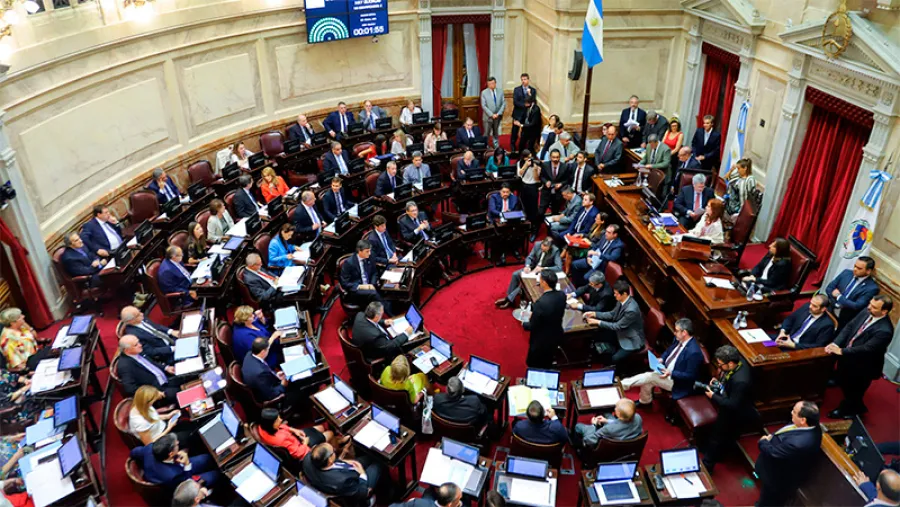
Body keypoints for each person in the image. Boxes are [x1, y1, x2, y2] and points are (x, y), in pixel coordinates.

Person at [825, 295, 894, 419]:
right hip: (848, 356)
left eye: (874, 307)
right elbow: (850, 326)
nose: (869, 307)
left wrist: (842, 351)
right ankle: (839, 380)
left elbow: (868, 349)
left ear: (884, 311)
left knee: (854, 391)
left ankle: (850, 410)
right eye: (870, 304)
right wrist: (836, 343)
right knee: (844, 376)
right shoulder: (867, 311)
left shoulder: (885, 330)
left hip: (863, 366)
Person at [621, 318, 704, 406]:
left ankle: (621, 385)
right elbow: (668, 351)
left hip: (677, 382)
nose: (674, 333)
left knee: (650, 377)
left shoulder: (694, 352)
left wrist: (671, 373)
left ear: (684, 333)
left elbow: (690, 376)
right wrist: (662, 359)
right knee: (649, 380)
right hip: (665, 370)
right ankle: (645, 402)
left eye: (676, 331)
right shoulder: (678, 339)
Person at [754, 401, 822, 506]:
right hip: (778, 473)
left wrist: (763, 441)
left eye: (794, 412)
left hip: (777, 480)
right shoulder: (812, 427)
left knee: (768, 502)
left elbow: (773, 453)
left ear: (803, 420)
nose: (791, 413)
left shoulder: (798, 443)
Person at [702, 345, 755, 472]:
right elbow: (727, 378)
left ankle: (708, 465)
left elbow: (732, 404)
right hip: (728, 398)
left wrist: (713, 396)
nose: (719, 367)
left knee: (717, 437)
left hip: (733, 414)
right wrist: (718, 381)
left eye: (721, 365)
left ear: (730, 363)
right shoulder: (737, 362)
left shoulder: (741, 381)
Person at [584, 280, 645, 366]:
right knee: (597, 335)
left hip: (631, 340)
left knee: (614, 359)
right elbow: (612, 314)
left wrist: (598, 322)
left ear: (624, 294)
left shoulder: (631, 310)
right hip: (621, 332)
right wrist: (594, 314)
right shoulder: (621, 301)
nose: (614, 295)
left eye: (616, 293)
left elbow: (617, 326)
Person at [129, 434, 221, 490]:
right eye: (177, 444)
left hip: (176, 467)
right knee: (216, 474)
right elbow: (188, 484)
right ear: (171, 453)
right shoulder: (171, 475)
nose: (178, 442)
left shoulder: (150, 448)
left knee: (206, 458)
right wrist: (187, 464)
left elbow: (133, 453)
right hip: (182, 480)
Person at [302, 443, 383, 504]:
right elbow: (362, 492)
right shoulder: (343, 482)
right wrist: (362, 473)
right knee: (378, 464)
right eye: (333, 451)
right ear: (330, 459)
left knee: (370, 457)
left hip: (346, 470)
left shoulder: (307, 460)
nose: (334, 449)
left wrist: (344, 462)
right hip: (358, 484)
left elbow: (333, 462)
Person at [116, 335, 185, 404]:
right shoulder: (125, 366)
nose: (140, 345)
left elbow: (151, 363)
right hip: (158, 392)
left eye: (138, 342)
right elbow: (130, 389)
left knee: (188, 375)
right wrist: (153, 394)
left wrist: (166, 368)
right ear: (127, 350)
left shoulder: (137, 351)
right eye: (136, 345)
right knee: (184, 393)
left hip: (165, 379)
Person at [496, 238, 562, 309]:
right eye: (542, 248)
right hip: (532, 268)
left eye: (545, 249)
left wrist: (543, 268)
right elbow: (529, 257)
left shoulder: (555, 251)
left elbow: (559, 267)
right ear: (542, 242)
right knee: (515, 274)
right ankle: (510, 297)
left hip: (542, 273)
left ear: (550, 247)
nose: (542, 250)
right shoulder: (537, 244)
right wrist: (527, 266)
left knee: (523, 284)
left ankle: (508, 300)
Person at [258, 408, 342, 460]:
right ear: (272, 424)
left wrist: (294, 430)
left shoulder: (262, 427)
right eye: (277, 419)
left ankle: (335, 442)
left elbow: (280, 427)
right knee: (330, 433)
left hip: (295, 437)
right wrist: (305, 443)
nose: (280, 419)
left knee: (321, 427)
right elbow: (298, 453)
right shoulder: (281, 440)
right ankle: (335, 451)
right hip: (302, 447)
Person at [523, 271, 566, 368]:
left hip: (541, 340)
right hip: (556, 334)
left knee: (534, 364)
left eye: (540, 279)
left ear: (544, 282)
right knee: (549, 359)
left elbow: (532, 325)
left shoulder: (541, 303)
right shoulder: (562, 295)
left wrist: (524, 324)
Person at [825, 256, 880, 330]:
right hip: (829, 310)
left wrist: (839, 297)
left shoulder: (872, 288)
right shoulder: (846, 273)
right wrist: (835, 303)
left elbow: (856, 305)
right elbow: (829, 288)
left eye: (859, 268)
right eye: (855, 266)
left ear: (868, 271)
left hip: (845, 320)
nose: (855, 269)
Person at [574, 398, 643, 448]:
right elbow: (619, 423)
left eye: (616, 408)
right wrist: (607, 421)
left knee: (578, 426)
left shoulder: (608, 429)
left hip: (611, 444)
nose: (615, 408)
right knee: (606, 413)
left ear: (619, 414)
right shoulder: (638, 417)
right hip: (625, 436)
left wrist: (593, 425)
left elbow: (590, 439)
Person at [242, 337, 287, 403]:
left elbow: (265, 372)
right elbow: (272, 395)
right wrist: (283, 385)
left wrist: (275, 375)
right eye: (268, 349)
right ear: (263, 351)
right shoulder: (260, 373)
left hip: (264, 383)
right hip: (265, 396)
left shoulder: (249, 354)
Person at [339, 240, 382, 308]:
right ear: (359, 251)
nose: (369, 253)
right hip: (356, 290)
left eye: (370, 251)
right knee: (374, 294)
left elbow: (374, 272)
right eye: (367, 251)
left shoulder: (370, 257)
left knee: (380, 291)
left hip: (369, 286)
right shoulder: (349, 263)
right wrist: (361, 286)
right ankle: (388, 312)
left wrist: (372, 284)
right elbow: (344, 283)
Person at [518, 150, 541, 238]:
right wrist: (525, 165)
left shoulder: (536, 164)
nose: (530, 159)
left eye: (531, 157)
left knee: (533, 208)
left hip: (533, 187)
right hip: (524, 186)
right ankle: (526, 225)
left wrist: (535, 169)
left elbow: (537, 179)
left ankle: (534, 229)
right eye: (528, 157)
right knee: (524, 206)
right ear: (524, 158)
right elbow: (519, 174)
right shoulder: (520, 163)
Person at [510, 73, 536, 150]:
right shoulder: (517, 89)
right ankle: (512, 144)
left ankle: (523, 145)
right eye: (522, 80)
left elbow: (533, 102)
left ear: (528, 80)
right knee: (515, 130)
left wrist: (529, 94)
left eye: (525, 79)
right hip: (518, 113)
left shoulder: (533, 90)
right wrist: (525, 105)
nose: (523, 81)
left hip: (527, 114)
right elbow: (515, 102)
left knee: (525, 130)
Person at [540, 149, 571, 215]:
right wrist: (546, 182)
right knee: (541, 211)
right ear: (550, 157)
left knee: (555, 212)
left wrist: (561, 184)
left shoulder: (565, 166)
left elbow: (567, 179)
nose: (555, 159)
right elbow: (542, 177)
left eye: (557, 157)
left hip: (558, 193)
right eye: (553, 157)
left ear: (560, 157)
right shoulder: (545, 165)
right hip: (546, 191)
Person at [390, 483, 463, 507]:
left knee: (429, 490)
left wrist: (412, 503)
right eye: (459, 498)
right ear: (449, 504)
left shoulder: (417, 503)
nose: (459, 500)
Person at [481, 77, 505, 148]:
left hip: (497, 116)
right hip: (488, 117)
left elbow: (503, 103)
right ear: (488, 84)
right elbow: (484, 105)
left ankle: (496, 146)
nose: (491, 85)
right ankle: (486, 145)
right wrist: (491, 115)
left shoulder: (500, 91)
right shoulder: (484, 93)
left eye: (493, 83)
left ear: (495, 83)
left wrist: (498, 113)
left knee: (495, 132)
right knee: (487, 133)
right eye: (490, 84)